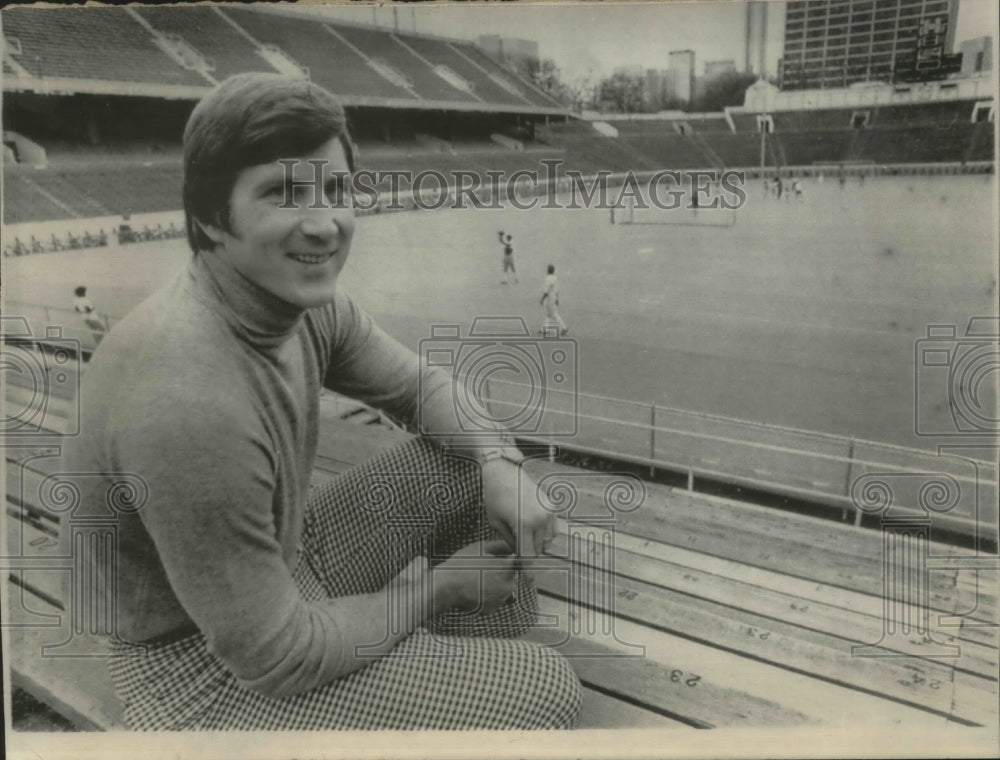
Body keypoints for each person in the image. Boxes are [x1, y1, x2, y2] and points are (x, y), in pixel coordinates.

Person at [68, 73, 580, 732]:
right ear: (210, 217)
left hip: (279, 575)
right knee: (548, 688)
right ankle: (447, 677)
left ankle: (450, 672)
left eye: (335, 191)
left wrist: (499, 461)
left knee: (464, 461)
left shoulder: (297, 304)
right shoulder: (186, 397)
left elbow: (422, 388)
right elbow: (276, 657)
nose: (323, 224)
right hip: (194, 669)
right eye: (282, 193)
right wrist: (441, 590)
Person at [540, 264, 568, 336]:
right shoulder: (555, 278)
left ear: (548, 270)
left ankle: (564, 327)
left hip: (550, 297)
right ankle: (545, 329)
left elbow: (546, 290)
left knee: (554, 313)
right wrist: (557, 298)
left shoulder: (548, 278)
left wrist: (542, 299)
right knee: (548, 313)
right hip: (554, 296)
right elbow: (557, 290)